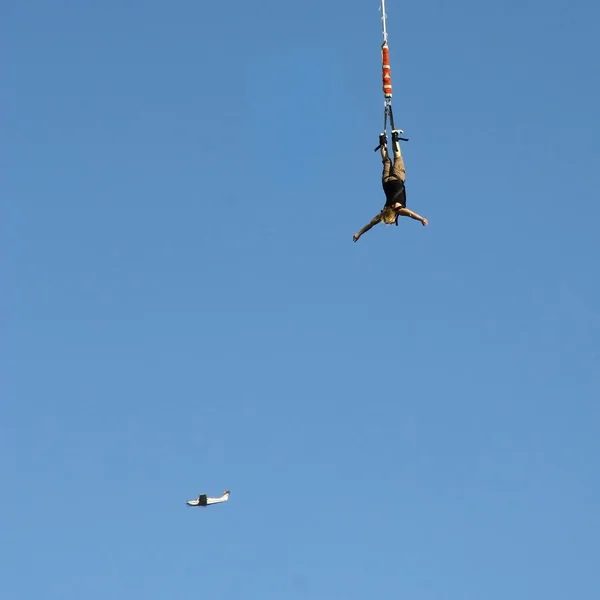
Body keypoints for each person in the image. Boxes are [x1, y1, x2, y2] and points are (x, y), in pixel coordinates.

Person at [353, 129, 428, 243]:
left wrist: (421, 219)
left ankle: (395, 136)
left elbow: (411, 214)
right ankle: (383, 140)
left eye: (391, 222)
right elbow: (370, 224)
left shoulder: (398, 209)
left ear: (392, 217)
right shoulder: (383, 212)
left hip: (397, 179)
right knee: (386, 161)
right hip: (386, 181)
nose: (392, 222)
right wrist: (359, 233)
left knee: (397, 157)